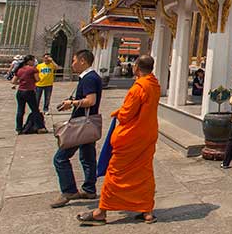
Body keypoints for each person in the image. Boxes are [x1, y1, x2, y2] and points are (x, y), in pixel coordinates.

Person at [76, 56, 160, 226]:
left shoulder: (138, 88)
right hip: (147, 134)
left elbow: (127, 114)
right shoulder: (154, 85)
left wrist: (118, 113)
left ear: (136, 67)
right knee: (144, 173)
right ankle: (147, 211)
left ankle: (101, 211)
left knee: (115, 173)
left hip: (132, 137)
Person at [52, 50, 102, 208]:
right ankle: (89, 189)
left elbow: (91, 100)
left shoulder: (89, 78)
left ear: (83, 61)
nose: (72, 64)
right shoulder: (90, 77)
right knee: (87, 157)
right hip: (87, 124)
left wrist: (72, 104)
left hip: (81, 125)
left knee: (60, 158)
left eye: (74, 60)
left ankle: (68, 190)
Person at [11, 55, 40, 134]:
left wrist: (21, 82)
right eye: (33, 61)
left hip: (20, 91)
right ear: (29, 61)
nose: (34, 62)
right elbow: (38, 79)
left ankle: (18, 128)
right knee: (35, 110)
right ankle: (39, 126)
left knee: (20, 110)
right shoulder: (33, 69)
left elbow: (13, 81)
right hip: (29, 91)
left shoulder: (20, 70)